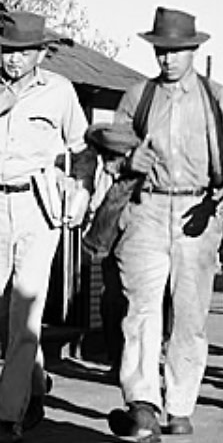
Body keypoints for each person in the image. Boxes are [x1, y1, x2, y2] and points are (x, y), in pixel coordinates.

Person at [0, 10, 93, 443]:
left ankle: (11, 414)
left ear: (40, 53)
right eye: (7, 50)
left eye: (23, 52)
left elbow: (83, 150)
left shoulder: (59, 91)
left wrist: (81, 191)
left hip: (37, 203)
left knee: (27, 302)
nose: (12, 60)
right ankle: (35, 379)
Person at [105, 7, 223, 443]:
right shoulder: (138, 98)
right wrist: (127, 161)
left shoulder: (218, 99)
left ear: (194, 49)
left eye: (175, 51)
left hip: (198, 215)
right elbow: (114, 150)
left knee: (189, 316)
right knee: (142, 312)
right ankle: (143, 405)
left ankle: (180, 405)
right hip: (147, 211)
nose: (167, 59)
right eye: (160, 50)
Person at [80, 122, 141, 378]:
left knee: (130, 305)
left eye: (111, 158)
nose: (106, 164)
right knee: (112, 303)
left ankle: (129, 363)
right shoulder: (105, 177)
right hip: (110, 249)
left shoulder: (131, 183)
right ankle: (118, 361)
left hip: (131, 245)